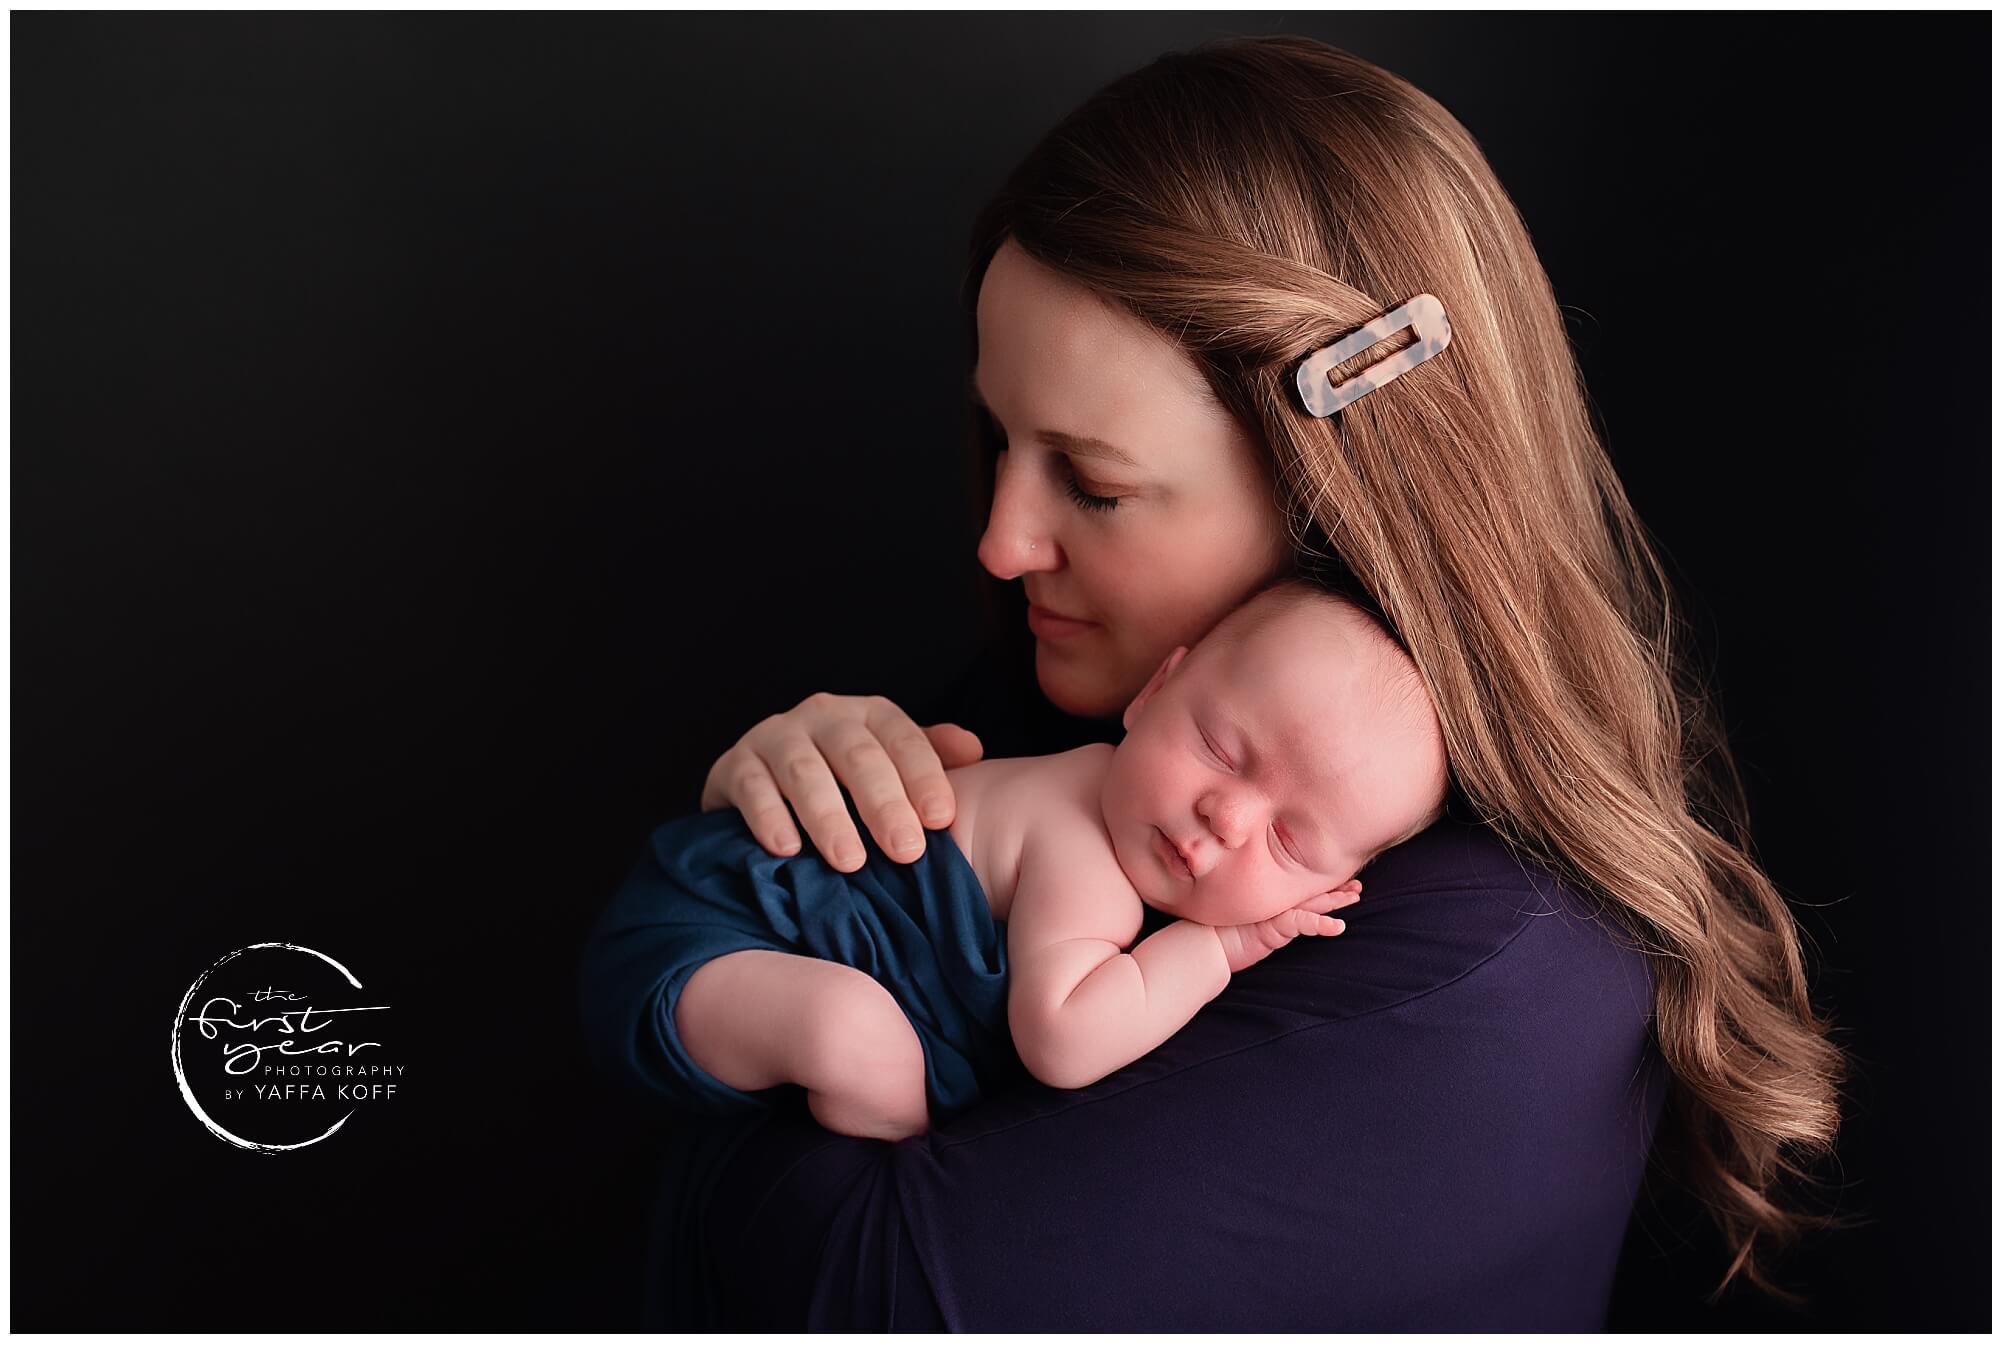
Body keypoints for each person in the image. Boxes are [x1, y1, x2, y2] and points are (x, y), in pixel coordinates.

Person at [581, 35, 1847, 1330]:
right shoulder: (1074, 699)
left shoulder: (1493, 968)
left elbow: (852, 1281)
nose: (1001, 541)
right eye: (998, 437)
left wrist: (750, 1008)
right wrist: (786, 836)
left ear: (1332, 494)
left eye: (1093, 479)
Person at [583, 583, 1446, 1141]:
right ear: (1153, 693)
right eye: (1219, 747)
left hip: (723, 929)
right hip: (707, 929)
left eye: (1290, 840)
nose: (1225, 815)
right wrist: (1218, 950)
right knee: (857, 1037)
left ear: (1335, 885)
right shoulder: (1086, 853)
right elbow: (1063, 1041)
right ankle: (900, 1182)